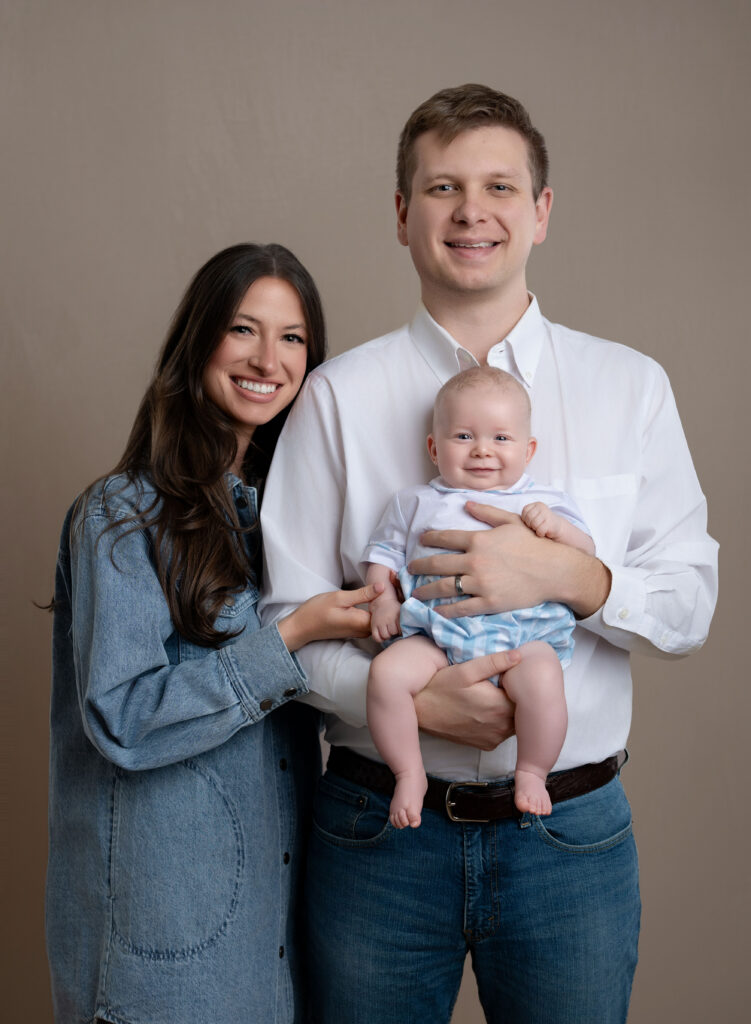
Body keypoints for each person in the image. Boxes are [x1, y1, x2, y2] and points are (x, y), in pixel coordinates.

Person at [260, 85, 718, 1023]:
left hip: (568, 836)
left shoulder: (628, 387)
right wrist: (408, 698)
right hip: (377, 833)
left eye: (500, 186)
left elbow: (686, 606)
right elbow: (282, 623)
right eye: (442, 188)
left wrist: (572, 578)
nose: (473, 211)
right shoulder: (335, 398)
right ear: (401, 214)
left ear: (540, 212)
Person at [44, 242, 381, 1024]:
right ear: (198, 341)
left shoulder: (282, 523)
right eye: (242, 329)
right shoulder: (121, 515)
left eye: (292, 337)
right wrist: (291, 635)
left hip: (273, 942)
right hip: (159, 957)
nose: (268, 357)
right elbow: (121, 719)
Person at [365, 366, 594, 827]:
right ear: (434, 447)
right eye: (464, 436)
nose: (483, 450)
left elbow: (587, 556)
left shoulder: (546, 500)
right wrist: (383, 601)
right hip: (436, 632)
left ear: (529, 451)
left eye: (502, 439)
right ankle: (409, 771)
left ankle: (532, 770)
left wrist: (557, 529)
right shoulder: (414, 502)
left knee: (544, 679)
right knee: (386, 674)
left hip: (521, 637)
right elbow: (382, 555)